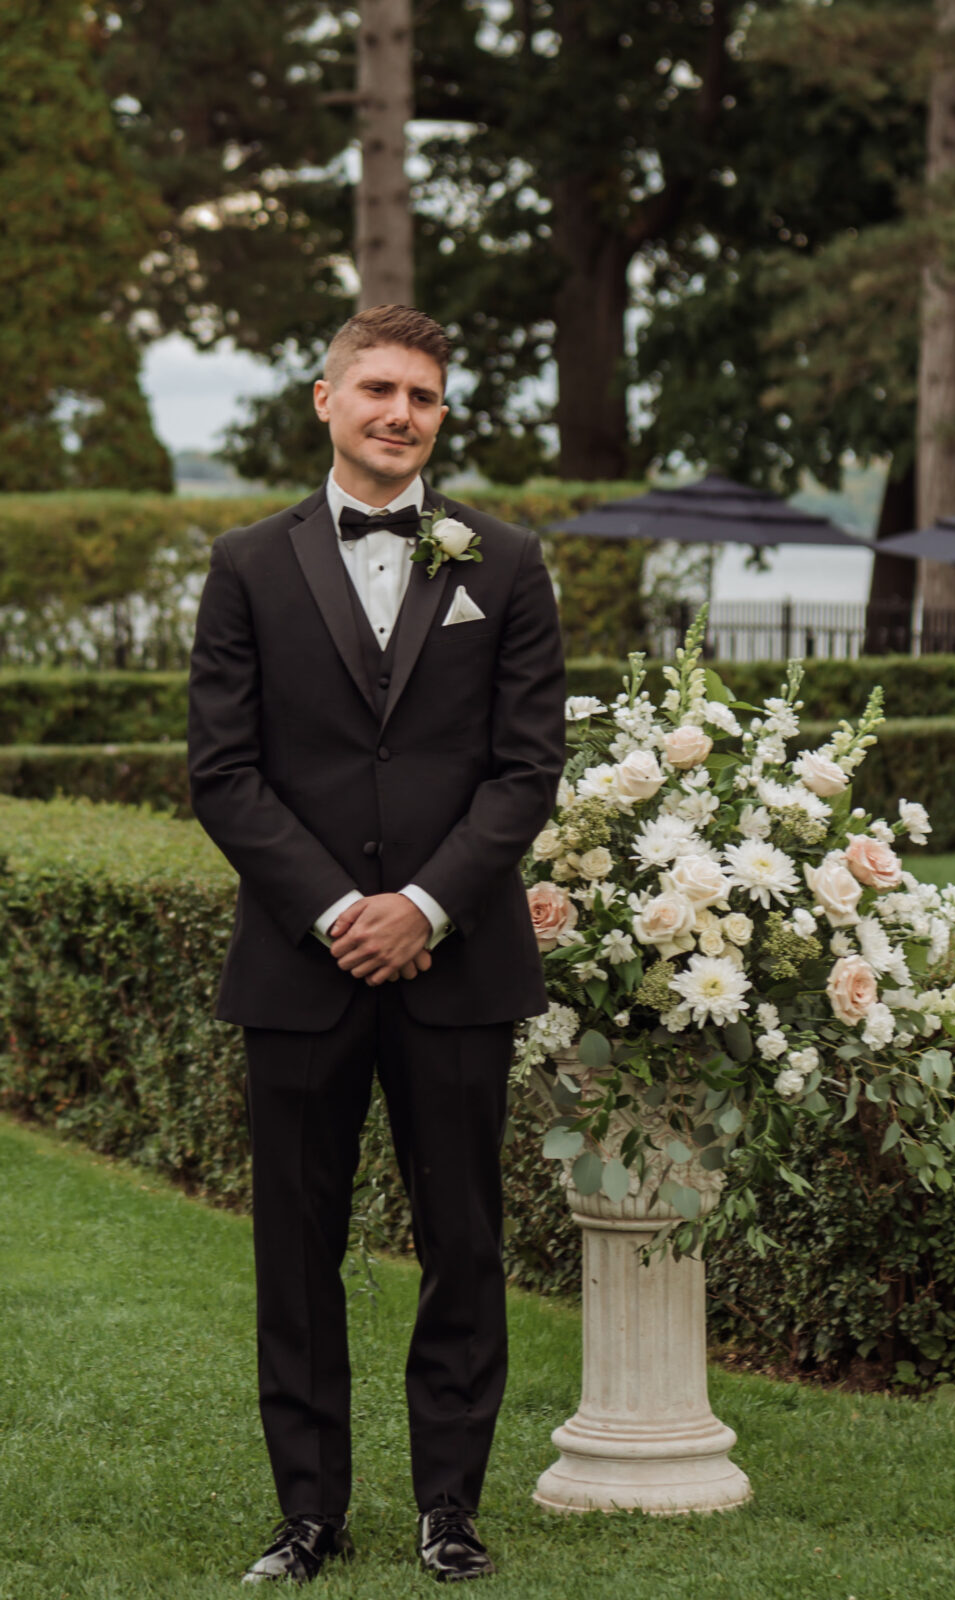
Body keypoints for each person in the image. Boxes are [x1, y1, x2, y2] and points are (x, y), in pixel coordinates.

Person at [187, 304, 566, 1584]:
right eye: (379, 390)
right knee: (296, 1250)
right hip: (301, 967)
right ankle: (308, 1515)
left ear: (441, 416)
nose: (401, 413)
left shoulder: (504, 563)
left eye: (424, 397)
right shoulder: (245, 564)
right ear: (325, 397)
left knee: (463, 1239)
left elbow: (527, 769)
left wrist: (429, 906)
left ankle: (449, 1508)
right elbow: (224, 774)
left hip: (460, 966)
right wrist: (343, 912)